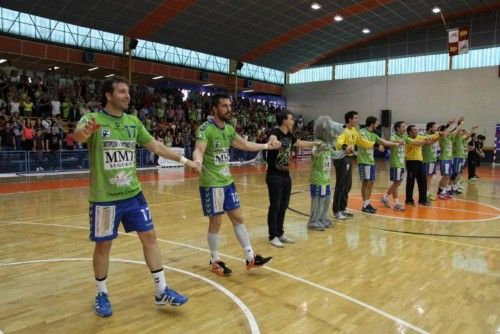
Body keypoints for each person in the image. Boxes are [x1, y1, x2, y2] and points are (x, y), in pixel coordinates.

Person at [74, 76, 195, 317]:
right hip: (105, 198)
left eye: (128, 91)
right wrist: (84, 133)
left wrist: (184, 160)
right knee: (104, 245)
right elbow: (78, 135)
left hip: (133, 195)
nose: (127, 95)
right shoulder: (93, 119)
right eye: (121, 91)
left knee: (150, 236)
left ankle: (161, 291)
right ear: (108, 95)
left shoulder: (133, 122)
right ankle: (101, 293)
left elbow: (157, 147)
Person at [192, 94, 278, 275]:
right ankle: (215, 260)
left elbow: (245, 145)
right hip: (212, 184)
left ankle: (250, 257)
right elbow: (199, 149)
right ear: (214, 109)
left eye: (229, 106)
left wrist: (266, 147)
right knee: (216, 222)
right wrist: (197, 162)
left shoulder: (229, 129)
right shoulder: (206, 128)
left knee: (238, 218)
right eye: (224, 106)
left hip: (227, 182)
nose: (228, 109)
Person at [333, 111, 375, 219]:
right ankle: (336, 210)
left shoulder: (354, 131)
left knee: (348, 185)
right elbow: (338, 142)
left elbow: (362, 142)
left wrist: (375, 144)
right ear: (349, 119)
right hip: (342, 158)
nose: (357, 120)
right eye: (355, 118)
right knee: (341, 184)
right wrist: (344, 147)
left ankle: (343, 208)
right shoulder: (343, 130)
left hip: (349, 159)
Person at [357, 116, 401, 214]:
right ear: (372, 123)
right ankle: (364, 204)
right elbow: (365, 143)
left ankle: (368, 203)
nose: (378, 125)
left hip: (371, 162)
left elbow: (384, 142)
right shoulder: (362, 132)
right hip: (364, 162)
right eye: (376, 123)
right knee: (366, 183)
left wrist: (397, 144)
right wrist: (377, 144)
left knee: (371, 183)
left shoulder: (374, 134)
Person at [404, 125, 438, 206]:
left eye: (417, 129)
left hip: (420, 161)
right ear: (410, 132)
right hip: (411, 162)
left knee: (423, 181)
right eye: (414, 130)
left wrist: (439, 135)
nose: (417, 131)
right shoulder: (407, 139)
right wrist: (427, 140)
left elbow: (430, 137)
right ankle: (409, 200)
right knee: (410, 182)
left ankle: (423, 200)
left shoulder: (419, 137)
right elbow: (418, 143)